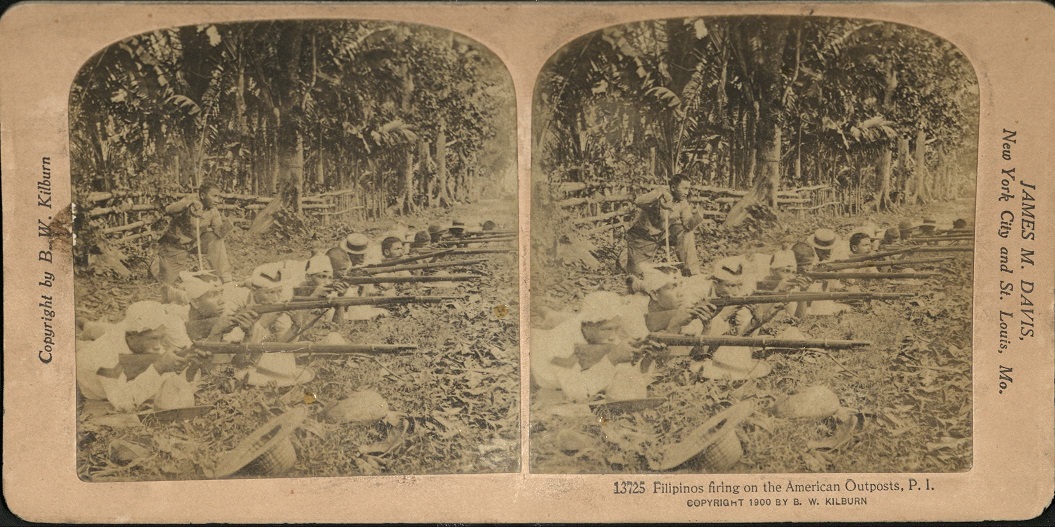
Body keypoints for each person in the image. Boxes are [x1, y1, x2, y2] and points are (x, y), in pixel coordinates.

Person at [77, 301, 193, 412]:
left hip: (101, 347)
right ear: (132, 337)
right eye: (152, 339)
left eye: (161, 337)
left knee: (94, 330)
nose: (158, 346)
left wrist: (179, 365)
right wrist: (159, 368)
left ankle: (85, 325)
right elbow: (122, 403)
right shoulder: (105, 354)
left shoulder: (136, 335)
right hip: (79, 377)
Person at [625, 173, 706, 276]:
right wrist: (658, 195)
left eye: (688, 189)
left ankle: (692, 271)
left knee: (685, 232)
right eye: (684, 188)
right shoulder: (659, 193)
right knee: (638, 275)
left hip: (663, 235)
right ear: (673, 187)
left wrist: (701, 209)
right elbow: (638, 201)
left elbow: (688, 225)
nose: (687, 192)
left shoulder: (682, 202)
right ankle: (623, 259)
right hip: (643, 238)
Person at [157, 181, 235, 284]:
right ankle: (155, 264)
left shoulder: (213, 210)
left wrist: (230, 220)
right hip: (174, 246)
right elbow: (169, 210)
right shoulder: (190, 200)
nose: (217, 200)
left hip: (193, 243)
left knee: (215, 239)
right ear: (202, 195)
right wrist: (188, 204)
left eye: (218, 197)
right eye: (214, 196)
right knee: (169, 282)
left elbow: (219, 232)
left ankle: (225, 279)